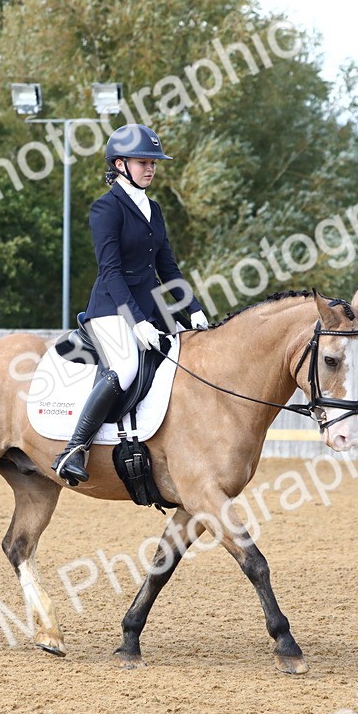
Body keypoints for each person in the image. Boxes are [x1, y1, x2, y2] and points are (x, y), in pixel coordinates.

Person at [51, 124, 209, 486]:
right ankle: (74, 449)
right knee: (124, 367)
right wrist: (136, 322)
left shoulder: (152, 208)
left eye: (153, 162)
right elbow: (110, 272)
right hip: (111, 309)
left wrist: (194, 309)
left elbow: (166, 267)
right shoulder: (106, 209)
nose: (150, 168)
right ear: (120, 164)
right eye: (143, 162)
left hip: (150, 311)